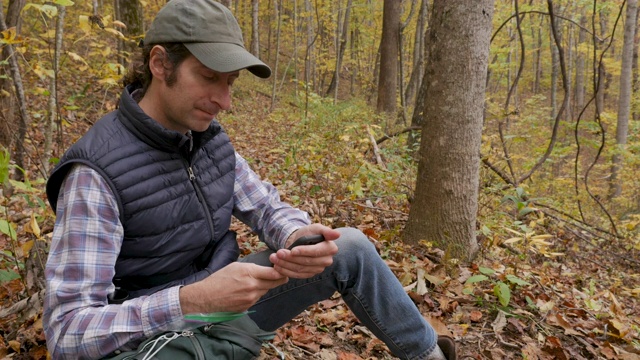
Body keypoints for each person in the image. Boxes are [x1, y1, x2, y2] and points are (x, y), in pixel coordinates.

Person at [43, 1, 457, 359]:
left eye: (230, 83)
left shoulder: (206, 140)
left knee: (347, 247)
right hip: (146, 339)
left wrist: (296, 237)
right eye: (208, 77)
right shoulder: (95, 174)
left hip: (218, 306)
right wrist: (190, 301)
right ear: (159, 64)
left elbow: (264, 206)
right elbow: (66, 332)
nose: (223, 101)